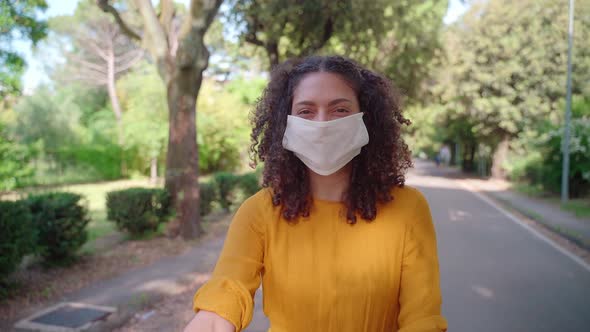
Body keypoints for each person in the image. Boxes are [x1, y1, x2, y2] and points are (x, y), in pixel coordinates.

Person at [183, 56, 447, 332]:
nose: (322, 124)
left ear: (366, 118)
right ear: (285, 122)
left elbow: (422, 317)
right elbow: (229, 287)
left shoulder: (408, 209)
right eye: (306, 111)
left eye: (340, 110)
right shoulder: (259, 212)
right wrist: (211, 320)